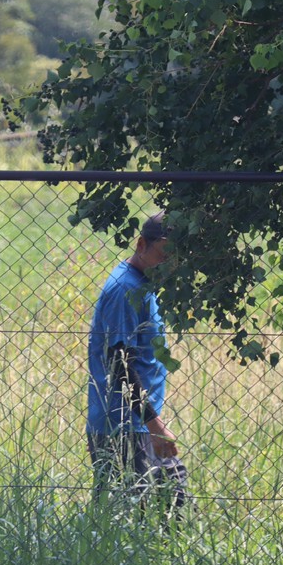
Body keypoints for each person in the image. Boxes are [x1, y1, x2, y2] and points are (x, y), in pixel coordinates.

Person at [86, 211, 189, 510]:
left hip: (137, 422)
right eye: (164, 254)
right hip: (122, 425)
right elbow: (119, 364)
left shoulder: (143, 283)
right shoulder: (126, 289)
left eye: (176, 258)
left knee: (171, 500)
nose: (169, 264)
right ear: (141, 244)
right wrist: (154, 424)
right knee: (137, 512)